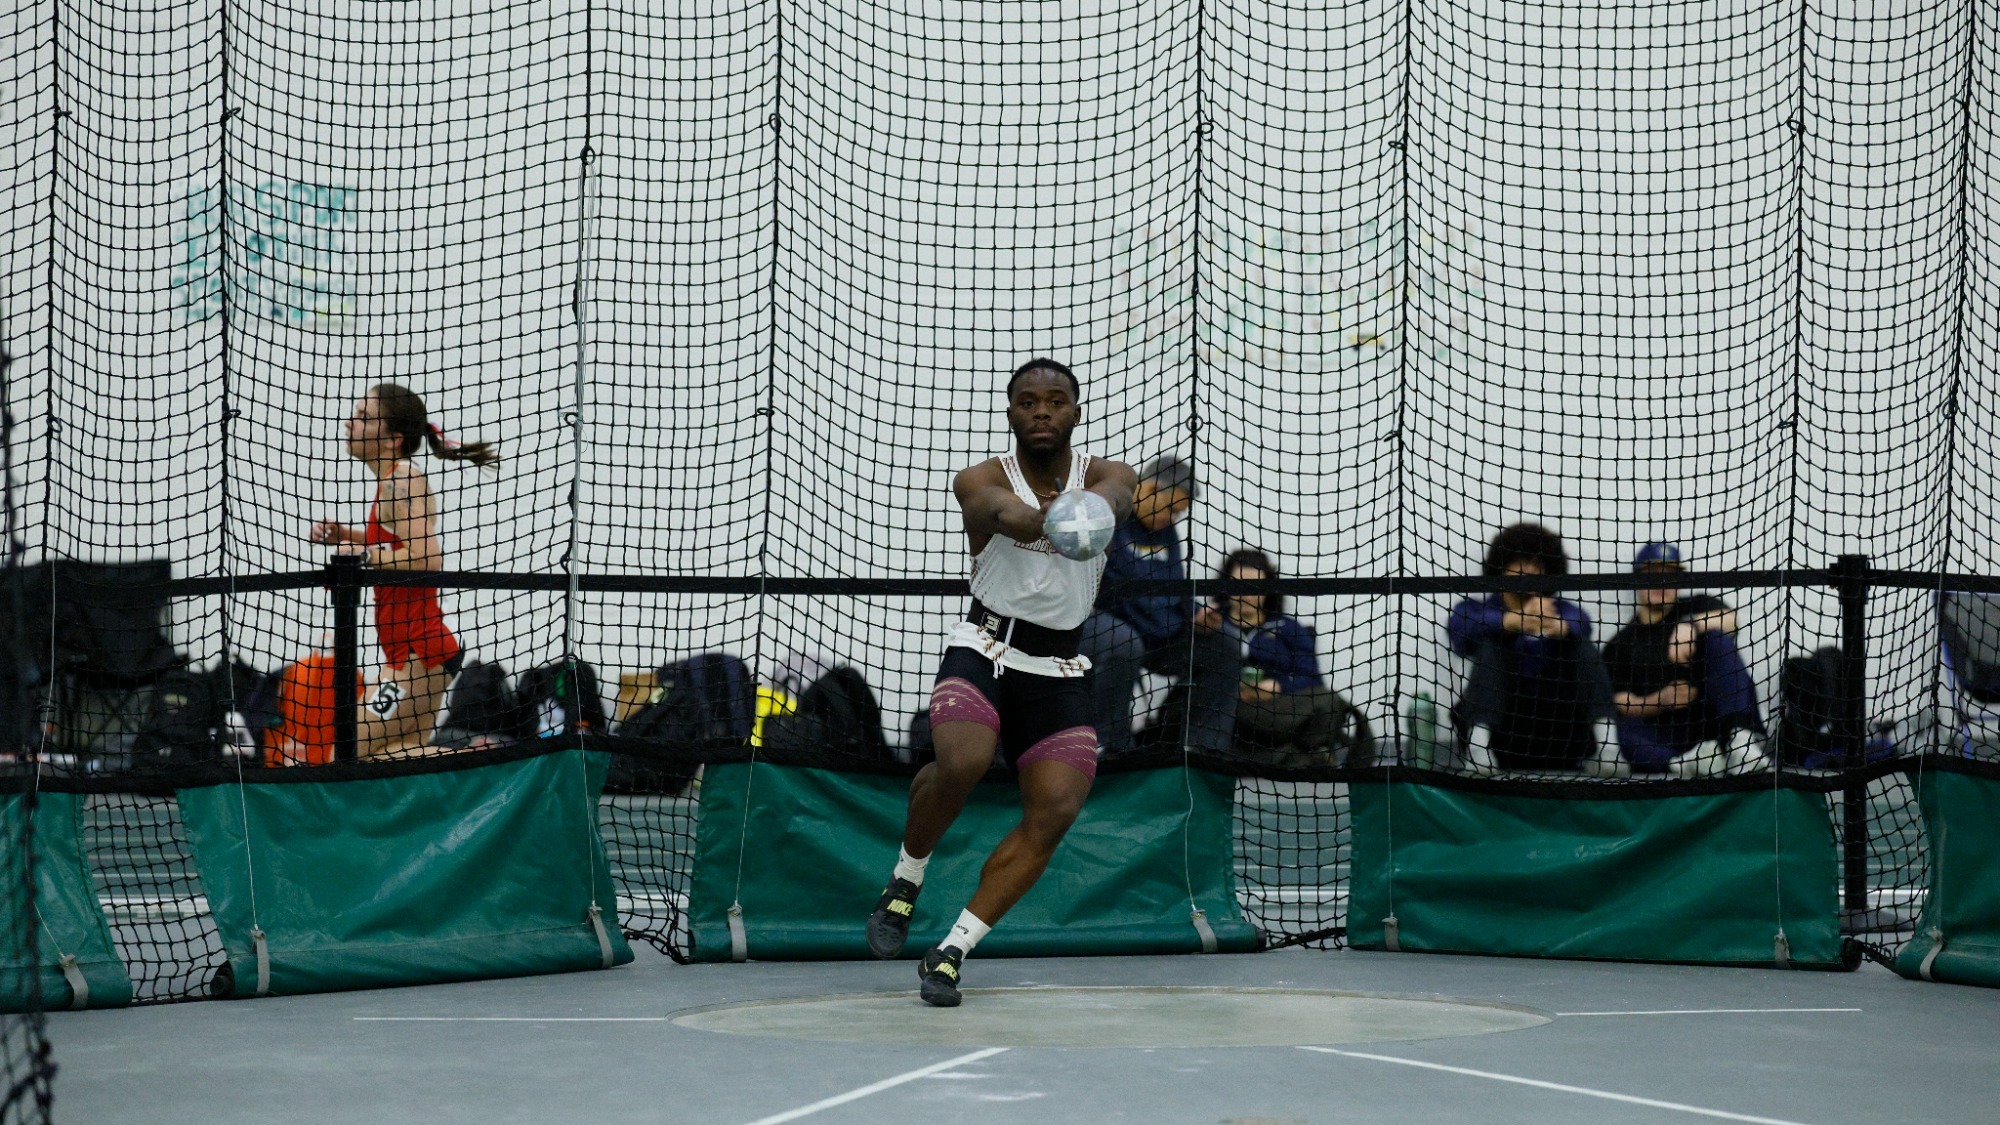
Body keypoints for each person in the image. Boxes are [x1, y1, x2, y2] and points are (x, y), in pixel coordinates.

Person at [865, 357, 1136, 1008]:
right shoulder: (981, 479)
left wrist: (1095, 508)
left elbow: (1120, 497)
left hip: (1058, 667)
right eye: (1027, 402)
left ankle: (952, 950)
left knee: (1057, 809)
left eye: (1055, 401)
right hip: (986, 646)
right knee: (961, 760)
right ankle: (906, 878)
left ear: (1076, 410)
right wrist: (1056, 521)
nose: (1041, 411)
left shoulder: (1105, 476)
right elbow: (1002, 513)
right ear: (1010, 412)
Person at [308, 384, 498, 758]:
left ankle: (492, 762)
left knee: (343, 755)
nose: (349, 423)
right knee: (399, 755)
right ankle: (483, 759)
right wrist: (347, 536)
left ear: (393, 439)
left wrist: (361, 554)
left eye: (363, 417)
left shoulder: (401, 480)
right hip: (414, 656)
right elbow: (397, 542)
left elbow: (427, 559)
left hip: (417, 657)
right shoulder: (393, 482)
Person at [1078, 454, 1243, 759]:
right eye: (1172, 509)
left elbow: (1175, 589)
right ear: (1150, 489)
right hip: (1106, 627)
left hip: (1160, 634)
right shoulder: (1106, 520)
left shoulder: (1167, 533)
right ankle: (1107, 747)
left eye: (1179, 514)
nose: (1173, 519)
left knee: (1227, 644)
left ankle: (1203, 749)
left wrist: (1197, 614)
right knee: (1122, 642)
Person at [1446, 522, 1617, 773]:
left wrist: (1560, 628)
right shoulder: (1477, 609)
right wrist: (1511, 622)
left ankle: (1607, 747)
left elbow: (1583, 622)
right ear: (1502, 566)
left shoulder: (1562, 611)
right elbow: (1460, 631)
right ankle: (1479, 749)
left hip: (1559, 732)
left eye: (1539, 565)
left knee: (1580, 645)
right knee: (1492, 646)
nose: (1532, 571)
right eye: (1523, 562)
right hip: (1504, 734)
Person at [1604, 542, 1766, 775]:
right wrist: (1660, 700)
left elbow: (1731, 620)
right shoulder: (1621, 643)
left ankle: (1741, 742)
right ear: (1637, 579)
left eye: (1670, 575)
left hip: (1711, 722)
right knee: (1623, 731)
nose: (1662, 583)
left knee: (1718, 637)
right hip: (1668, 733)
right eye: (1653, 575)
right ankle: (1683, 765)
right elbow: (1619, 700)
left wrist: (1691, 624)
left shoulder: (1696, 606)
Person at [1208, 548, 1371, 764]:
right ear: (1225, 585)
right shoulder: (1210, 626)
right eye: (1238, 584)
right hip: (1233, 713)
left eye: (1255, 585)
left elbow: (1312, 678)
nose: (1245, 593)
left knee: (1329, 700)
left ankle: (1292, 756)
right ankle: (1287, 759)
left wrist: (1278, 687)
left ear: (1268, 589)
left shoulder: (1288, 628)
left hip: (1281, 712)